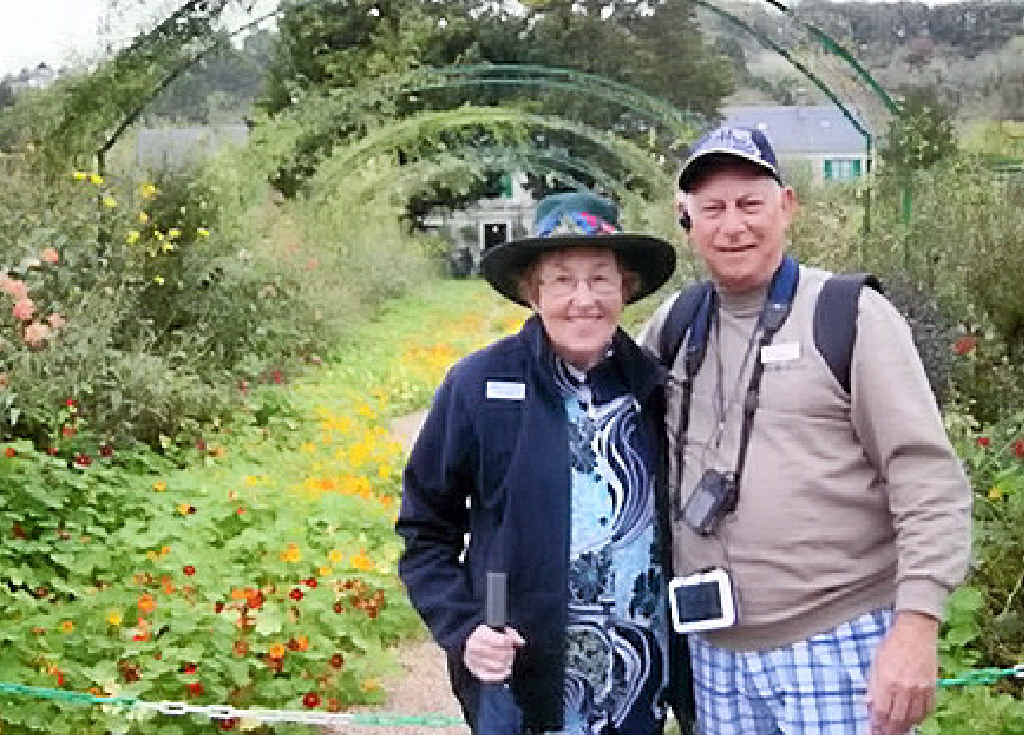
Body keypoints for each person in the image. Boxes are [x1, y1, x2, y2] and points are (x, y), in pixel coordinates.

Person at [639, 126, 972, 735]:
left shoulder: (848, 315)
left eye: (750, 203)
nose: (732, 225)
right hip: (717, 653)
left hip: (837, 644)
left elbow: (924, 476)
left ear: (786, 206)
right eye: (711, 208)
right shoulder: (676, 324)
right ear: (686, 218)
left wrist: (918, 626)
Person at [396, 191, 689, 733]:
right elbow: (425, 530)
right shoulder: (478, 385)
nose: (584, 298)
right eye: (561, 279)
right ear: (533, 293)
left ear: (625, 289)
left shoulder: (655, 388)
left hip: (637, 680)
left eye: (601, 278)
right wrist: (463, 629)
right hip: (522, 680)